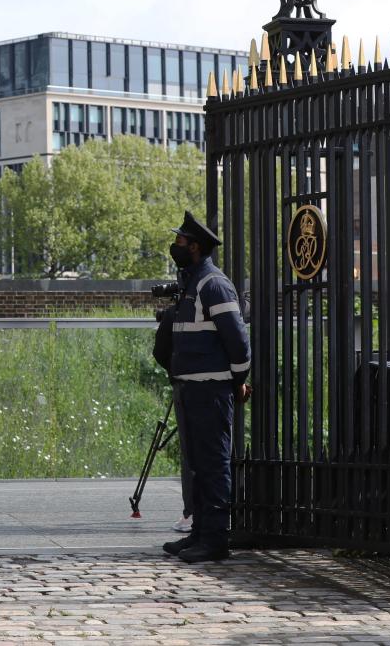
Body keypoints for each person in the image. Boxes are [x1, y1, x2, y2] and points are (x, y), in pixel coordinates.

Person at [162, 210, 250, 564]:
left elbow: (239, 343)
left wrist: (238, 381)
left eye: (181, 240)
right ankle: (199, 533)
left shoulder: (213, 284)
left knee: (213, 464)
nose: (176, 245)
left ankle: (215, 539)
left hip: (212, 391)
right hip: (191, 389)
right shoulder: (192, 283)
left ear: (195, 247)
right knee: (199, 464)